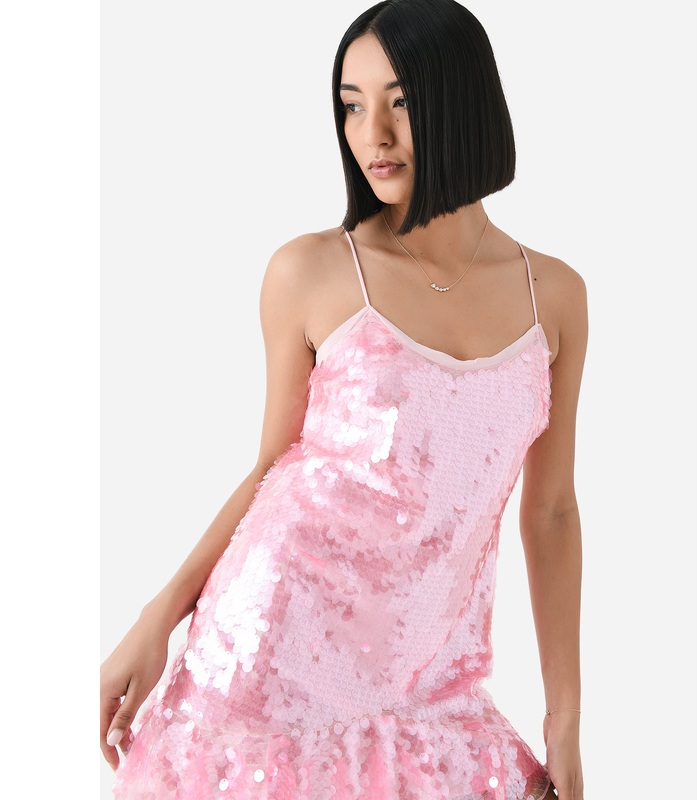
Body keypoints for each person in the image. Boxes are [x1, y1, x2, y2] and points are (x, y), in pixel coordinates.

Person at [100, 1, 588, 798]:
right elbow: (273, 467)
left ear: (463, 101)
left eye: (402, 102)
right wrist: (160, 616)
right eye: (352, 106)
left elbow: (553, 511)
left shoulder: (554, 297)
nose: (373, 135)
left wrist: (564, 720)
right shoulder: (313, 272)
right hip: (271, 661)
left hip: (433, 679)